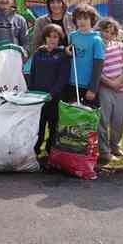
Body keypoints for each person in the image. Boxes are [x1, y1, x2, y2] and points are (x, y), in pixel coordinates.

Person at [28, 24, 71, 158]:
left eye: (55, 37)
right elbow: (32, 73)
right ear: (45, 38)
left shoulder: (63, 55)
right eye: (49, 36)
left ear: (59, 39)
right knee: (38, 126)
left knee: (53, 126)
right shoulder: (38, 54)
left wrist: (52, 94)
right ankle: (35, 150)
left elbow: (62, 78)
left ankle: (50, 151)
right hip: (38, 98)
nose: (52, 39)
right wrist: (31, 92)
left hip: (54, 98)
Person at [96, 17, 123, 163]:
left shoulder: (119, 46)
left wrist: (119, 82)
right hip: (105, 89)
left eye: (111, 33)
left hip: (121, 89)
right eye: (105, 31)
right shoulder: (97, 47)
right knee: (103, 120)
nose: (107, 35)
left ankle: (115, 147)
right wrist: (110, 83)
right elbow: (97, 71)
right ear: (100, 31)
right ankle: (104, 151)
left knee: (119, 120)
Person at [64, 4, 105, 109]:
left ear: (92, 20)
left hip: (88, 87)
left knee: (87, 121)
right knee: (71, 119)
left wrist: (93, 89)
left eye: (85, 18)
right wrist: (67, 52)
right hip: (72, 84)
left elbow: (98, 66)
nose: (82, 21)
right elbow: (68, 55)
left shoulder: (96, 40)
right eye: (79, 18)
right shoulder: (72, 36)